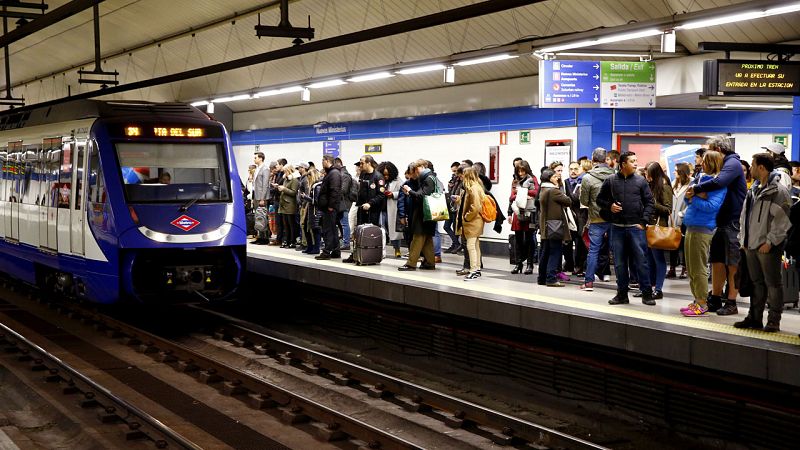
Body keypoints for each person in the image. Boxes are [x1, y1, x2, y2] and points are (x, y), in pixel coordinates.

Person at [685, 135, 747, 315]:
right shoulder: (724, 165)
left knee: (732, 263)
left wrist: (695, 190)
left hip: (732, 221)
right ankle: (715, 298)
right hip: (720, 222)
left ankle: (731, 301)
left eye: (710, 150)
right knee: (717, 261)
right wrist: (695, 193)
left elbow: (719, 183)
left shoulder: (732, 163)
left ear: (718, 150)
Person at [735, 153, 792, 332]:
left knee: (773, 284)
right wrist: (743, 239)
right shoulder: (754, 190)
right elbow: (745, 216)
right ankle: (754, 318)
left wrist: (770, 242)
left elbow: (782, 221)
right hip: (751, 244)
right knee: (756, 283)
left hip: (767, 246)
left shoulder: (778, 192)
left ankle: (774, 320)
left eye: (752, 165)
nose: (750, 169)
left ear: (761, 167)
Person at [597, 151, 656, 305]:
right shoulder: (610, 180)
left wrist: (643, 221)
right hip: (617, 228)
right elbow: (599, 200)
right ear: (623, 164)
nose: (636, 164)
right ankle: (622, 294)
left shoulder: (641, 181)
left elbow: (650, 202)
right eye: (632, 161)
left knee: (641, 262)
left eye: (636, 160)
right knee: (619, 263)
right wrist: (609, 205)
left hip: (636, 228)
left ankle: (647, 294)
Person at [680, 151, 727, 317]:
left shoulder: (718, 184)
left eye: (705, 161)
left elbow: (712, 206)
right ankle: (697, 300)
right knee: (691, 268)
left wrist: (694, 198)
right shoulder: (699, 179)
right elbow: (686, 199)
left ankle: (701, 302)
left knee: (699, 267)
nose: (701, 163)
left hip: (703, 228)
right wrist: (693, 197)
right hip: (691, 226)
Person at [579, 148, 614, 291]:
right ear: (606, 160)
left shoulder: (587, 178)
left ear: (593, 160)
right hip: (614, 218)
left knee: (593, 251)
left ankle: (588, 282)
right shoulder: (615, 175)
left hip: (596, 219)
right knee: (619, 251)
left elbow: (584, 201)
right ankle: (624, 284)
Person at [637, 161, 673, 300]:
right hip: (647, 226)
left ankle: (658, 289)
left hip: (657, 227)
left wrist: (651, 202)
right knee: (648, 259)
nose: (646, 175)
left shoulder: (664, 186)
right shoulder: (649, 185)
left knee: (658, 259)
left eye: (648, 173)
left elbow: (668, 209)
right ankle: (648, 288)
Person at [343, 155, 385, 263]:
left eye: (362, 163)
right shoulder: (363, 174)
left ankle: (370, 255)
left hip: (373, 210)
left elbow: (381, 195)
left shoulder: (378, 177)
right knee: (358, 232)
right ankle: (356, 254)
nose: (360, 165)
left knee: (370, 234)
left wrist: (370, 203)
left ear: (369, 163)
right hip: (361, 209)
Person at [398, 160, 437, 271]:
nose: (416, 172)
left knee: (417, 238)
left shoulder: (428, 179)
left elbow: (422, 196)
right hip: (427, 214)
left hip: (423, 214)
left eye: (417, 169)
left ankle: (411, 264)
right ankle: (429, 262)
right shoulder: (430, 178)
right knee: (427, 239)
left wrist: (410, 191)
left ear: (423, 167)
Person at [537, 168, 572, 287]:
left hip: (546, 226)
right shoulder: (553, 191)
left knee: (545, 253)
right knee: (555, 252)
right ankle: (551, 279)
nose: (557, 178)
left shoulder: (543, 189)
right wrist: (559, 189)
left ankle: (542, 278)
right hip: (555, 226)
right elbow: (568, 201)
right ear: (549, 178)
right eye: (555, 176)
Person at [508, 160, 539, 275]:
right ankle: (518, 263)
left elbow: (536, 192)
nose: (521, 173)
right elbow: (511, 197)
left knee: (530, 240)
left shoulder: (533, 179)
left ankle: (530, 264)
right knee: (518, 240)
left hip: (529, 213)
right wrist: (524, 194)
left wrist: (520, 193)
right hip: (518, 213)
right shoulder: (515, 181)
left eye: (523, 171)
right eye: (519, 171)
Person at [458, 166, 486, 281]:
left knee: (470, 246)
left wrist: (466, 217)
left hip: (473, 221)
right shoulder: (477, 186)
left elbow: (475, 206)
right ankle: (477, 269)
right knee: (475, 245)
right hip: (476, 221)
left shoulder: (472, 188)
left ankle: (473, 270)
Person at [316, 156, 342, 260]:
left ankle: (327, 252)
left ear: (327, 161)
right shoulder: (331, 172)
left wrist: (331, 206)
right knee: (332, 229)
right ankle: (336, 251)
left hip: (330, 207)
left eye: (323, 161)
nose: (322, 162)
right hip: (328, 206)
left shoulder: (334, 173)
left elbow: (334, 191)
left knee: (328, 230)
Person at [668, 162, 692, 279]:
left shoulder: (691, 184)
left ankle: (685, 268)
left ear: (681, 171)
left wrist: (682, 214)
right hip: (673, 220)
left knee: (685, 245)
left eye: (676, 170)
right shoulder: (673, 183)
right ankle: (672, 268)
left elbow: (692, 202)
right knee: (673, 244)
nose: (674, 172)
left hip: (685, 219)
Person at [377, 161, 404, 258]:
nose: (386, 177)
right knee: (381, 229)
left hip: (392, 209)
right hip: (381, 208)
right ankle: (382, 249)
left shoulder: (398, 180)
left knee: (394, 231)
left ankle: (397, 249)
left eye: (388, 175)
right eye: (384, 175)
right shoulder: (379, 180)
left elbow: (402, 192)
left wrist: (393, 194)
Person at [277, 164, 300, 248]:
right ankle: (287, 240)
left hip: (290, 205)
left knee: (291, 224)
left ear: (289, 170)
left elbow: (294, 192)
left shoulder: (294, 180)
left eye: (285, 171)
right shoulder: (286, 179)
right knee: (285, 224)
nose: (284, 173)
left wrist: (284, 189)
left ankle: (292, 241)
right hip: (283, 204)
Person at [334, 157, 354, 250]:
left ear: (338, 164)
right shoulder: (342, 174)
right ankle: (344, 241)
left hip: (344, 203)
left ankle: (346, 243)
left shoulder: (344, 175)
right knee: (341, 223)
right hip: (341, 202)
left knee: (344, 223)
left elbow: (343, 190)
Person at [251, 152, 271, 245]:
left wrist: (263, 198)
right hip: (256, 195)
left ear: (261, 158)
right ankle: (259, 236)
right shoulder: (257, 169)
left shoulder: (265, 169)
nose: (254, 159)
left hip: (261, 197)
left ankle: (265, 238)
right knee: (257, 217)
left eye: (255, 158)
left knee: (263, 216)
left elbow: (265, 185)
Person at [444, 161, 463, 253]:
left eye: (455, 171)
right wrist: (449, 186)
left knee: (455, 227)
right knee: (446, 226)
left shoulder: (462, 180)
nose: (454, 173)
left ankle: (455, 245)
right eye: (453, 171)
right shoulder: (454, 179)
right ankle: (456, 244)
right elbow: (451, 192)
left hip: (456, 206)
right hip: (450, 205)